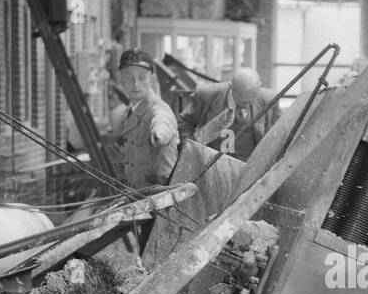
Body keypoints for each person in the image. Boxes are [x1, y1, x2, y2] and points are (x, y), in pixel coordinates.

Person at [179, 68, 280, 161]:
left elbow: (279, 134)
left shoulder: (270, 100)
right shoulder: (207, 95)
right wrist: (191, 150)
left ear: (259, 87)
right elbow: (185, 121)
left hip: (250, 166)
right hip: (212, 164)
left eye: (252, 100)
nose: (247, 105)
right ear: (231, 87)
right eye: (243, 101)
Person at [117, 48, 180, 190]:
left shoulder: (158, 110)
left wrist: (159, 134)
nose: (135, 84)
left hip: (162, 201)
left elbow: (162, 120)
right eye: (129, 77)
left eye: (142, 77)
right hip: (138, 197)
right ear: (121, 80)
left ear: (152, 80)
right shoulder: (130, 111)